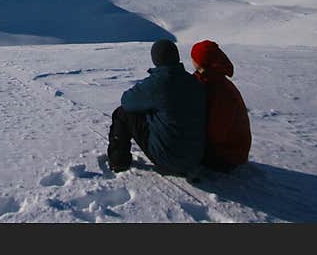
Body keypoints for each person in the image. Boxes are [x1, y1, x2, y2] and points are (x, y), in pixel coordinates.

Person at [107, 39, 206, 176]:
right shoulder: (192, 81)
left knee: (122, 113)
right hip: (196, 157)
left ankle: (118, 161)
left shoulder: (157, 83)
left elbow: (126, 101)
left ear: (156, 59)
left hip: (169, 158)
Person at [190, 40, 251, 172]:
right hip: (229, 151)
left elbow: (216, 133)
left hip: (227, 157)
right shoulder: (214, 80)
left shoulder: (219, 90)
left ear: (200, 63)